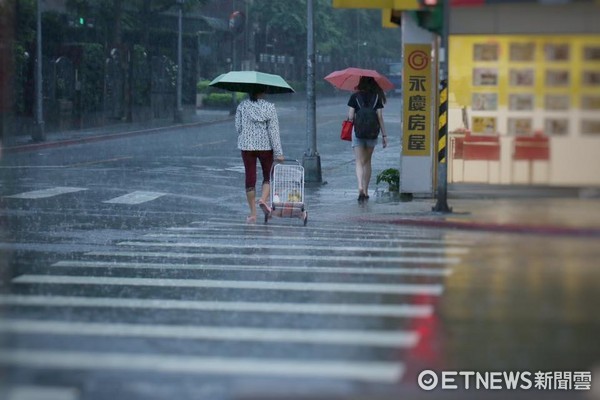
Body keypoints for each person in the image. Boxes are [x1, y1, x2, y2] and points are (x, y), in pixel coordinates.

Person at [235, 85, 284, 223]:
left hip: (247, 146)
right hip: (265, 147)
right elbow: (274, 132)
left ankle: (253, 214)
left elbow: (238, 127)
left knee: (250, 177)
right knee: (268, 175)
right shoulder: (270, 107)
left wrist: (247, 134)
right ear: (263, 92)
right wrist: (279, 153)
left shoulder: (242, 106)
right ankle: (263, 199)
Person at [347, 76, 388, 202]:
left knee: (359, 161)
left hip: (358, 132)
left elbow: (350, 116)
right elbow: (380, 117)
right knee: (367, 161)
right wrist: (384, 135)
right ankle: (365, 190)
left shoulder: (355, 97)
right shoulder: (377, 97)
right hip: (372, 133)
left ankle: (359, 186)